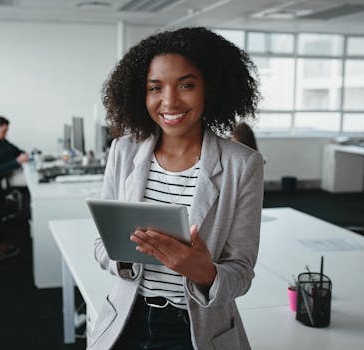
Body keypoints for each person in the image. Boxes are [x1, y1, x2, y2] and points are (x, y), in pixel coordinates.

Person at [90, 27, 264, 350]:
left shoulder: (244, 165)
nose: (169, 101)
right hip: (128, 319)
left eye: (186, 84)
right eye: (155, 87)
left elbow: (241, 272)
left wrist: (204, 272)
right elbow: (102, 245)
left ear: (208, 88)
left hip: (194, 329)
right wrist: (126, 257)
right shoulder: (123, 151)